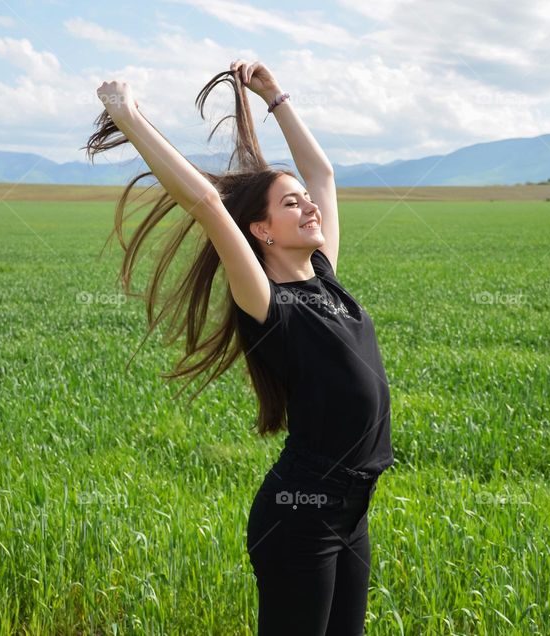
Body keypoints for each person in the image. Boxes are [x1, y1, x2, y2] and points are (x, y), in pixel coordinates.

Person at [85, 58, 393, 635]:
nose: (310, 206)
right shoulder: (266, 300)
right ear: (262, 231)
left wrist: (276, 97)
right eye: (290, 204)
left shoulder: (325, 277)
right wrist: (127, 116)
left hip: (353, 512)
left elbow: (322, 174)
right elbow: (204, 203)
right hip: (301, 515)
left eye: (305, 201)